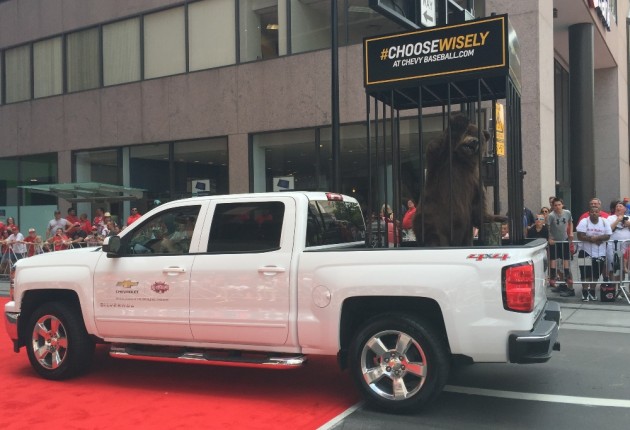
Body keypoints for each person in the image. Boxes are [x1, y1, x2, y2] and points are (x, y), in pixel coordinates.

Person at [576, 205, 612, 301]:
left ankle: (592, 291)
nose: (594, 213)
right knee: (584, 273)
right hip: (584, 251)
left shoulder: (604, 222)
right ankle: (584, 292)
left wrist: (597, 238)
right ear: (589, 212)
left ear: (599, 212)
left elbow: (608, 236)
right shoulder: (584, 221)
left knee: (596, 274)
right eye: (592, 212)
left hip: (600, 253)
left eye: (596, 212)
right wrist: (592, 240)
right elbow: (579, 236)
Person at [548, 197, 574, 293]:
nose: (558, 207)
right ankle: (553, 275)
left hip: (564, 239)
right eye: (555, 205)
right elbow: (548, 227)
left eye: (559, 205)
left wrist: (571, 232)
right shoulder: (551, 215)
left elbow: (571, 222)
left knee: (566, 258)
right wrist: (549, 238)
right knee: (554, 258)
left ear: (562, 205)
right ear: (553, 206)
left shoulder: (567, 213)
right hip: (554, 240)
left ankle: (567, 275)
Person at [605, 200, 630, 285]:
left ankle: (621, 287)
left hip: (626, 248)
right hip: (614, 247)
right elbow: (608, 230)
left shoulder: (628, 217)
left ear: (625, 209)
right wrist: (617, 221)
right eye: (617, 207)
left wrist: (628, 224)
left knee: (623, 268)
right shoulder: (610, 218)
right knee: (614, 268)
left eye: (620, 206)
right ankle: (613, 287)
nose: (618, 208)